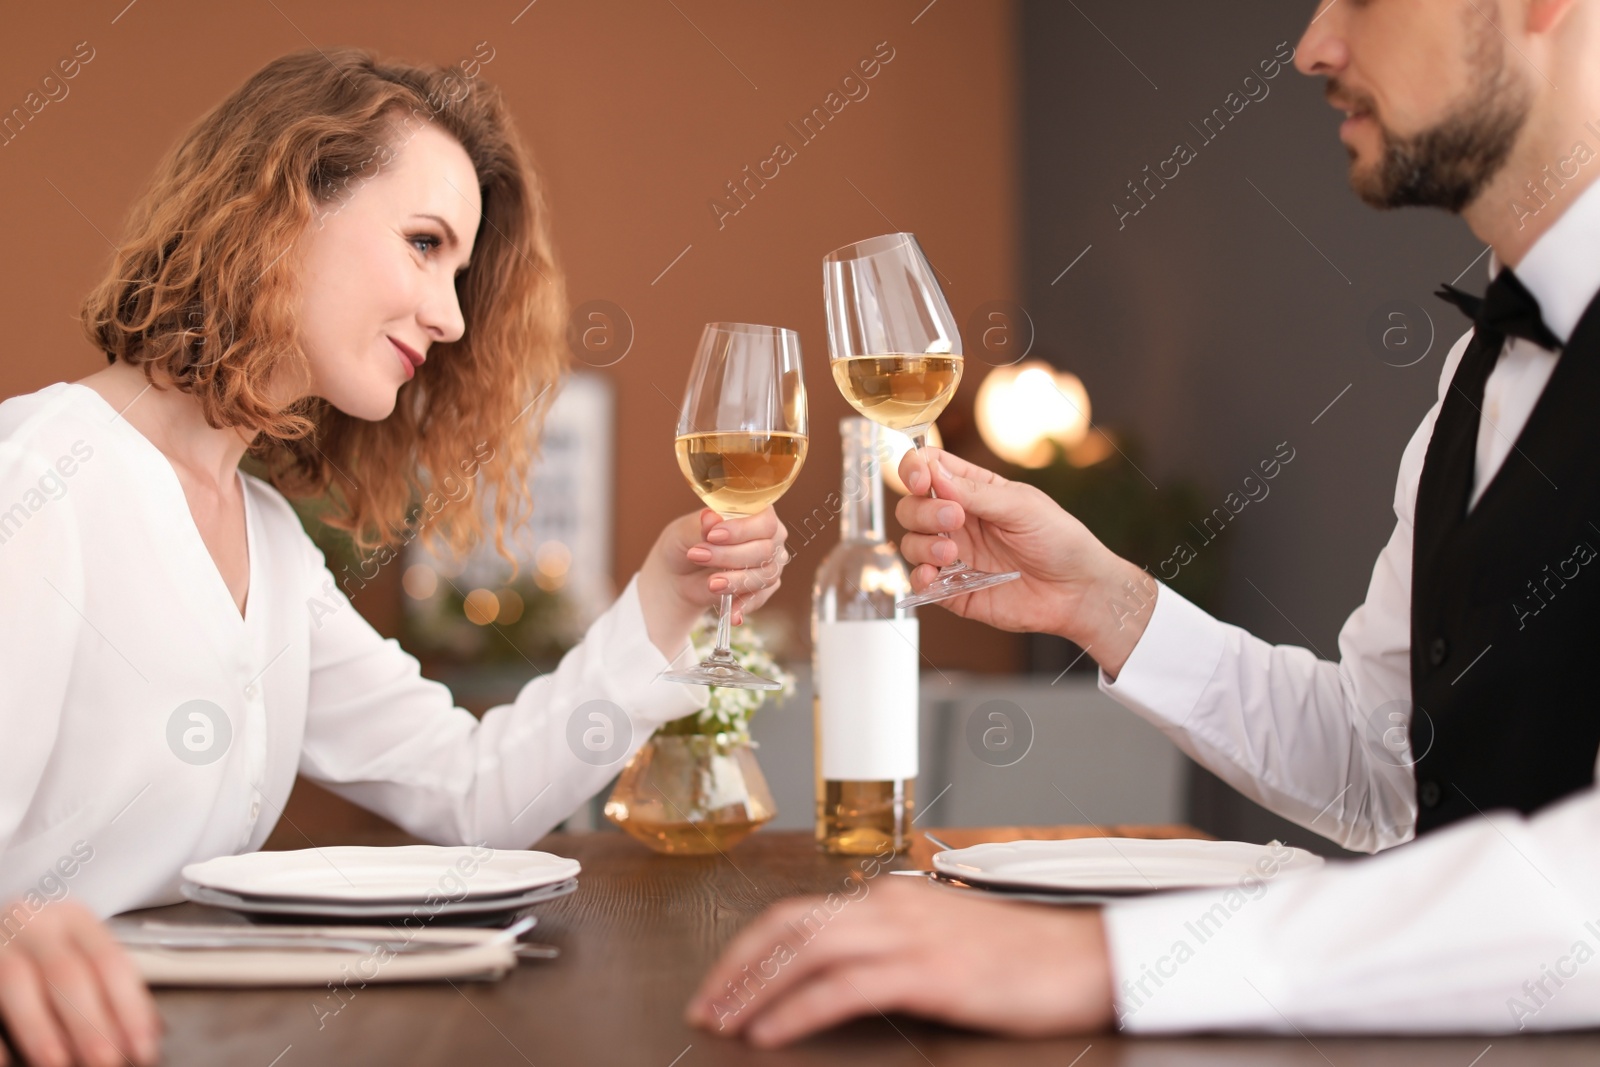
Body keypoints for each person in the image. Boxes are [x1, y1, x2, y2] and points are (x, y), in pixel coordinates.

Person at [689, 0, 1600, 1047]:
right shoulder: (1477, 376)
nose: (1313, 45)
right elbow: (1381, 761)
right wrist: (1105, 602)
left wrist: (1108, 959)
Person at [0, 48, 790, 1067]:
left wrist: (662, 602)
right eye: (423, 243)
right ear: (281, 205)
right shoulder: (44, 477)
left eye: (458, 272)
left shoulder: (270, 542)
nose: (451, 316)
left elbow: (473, 793)